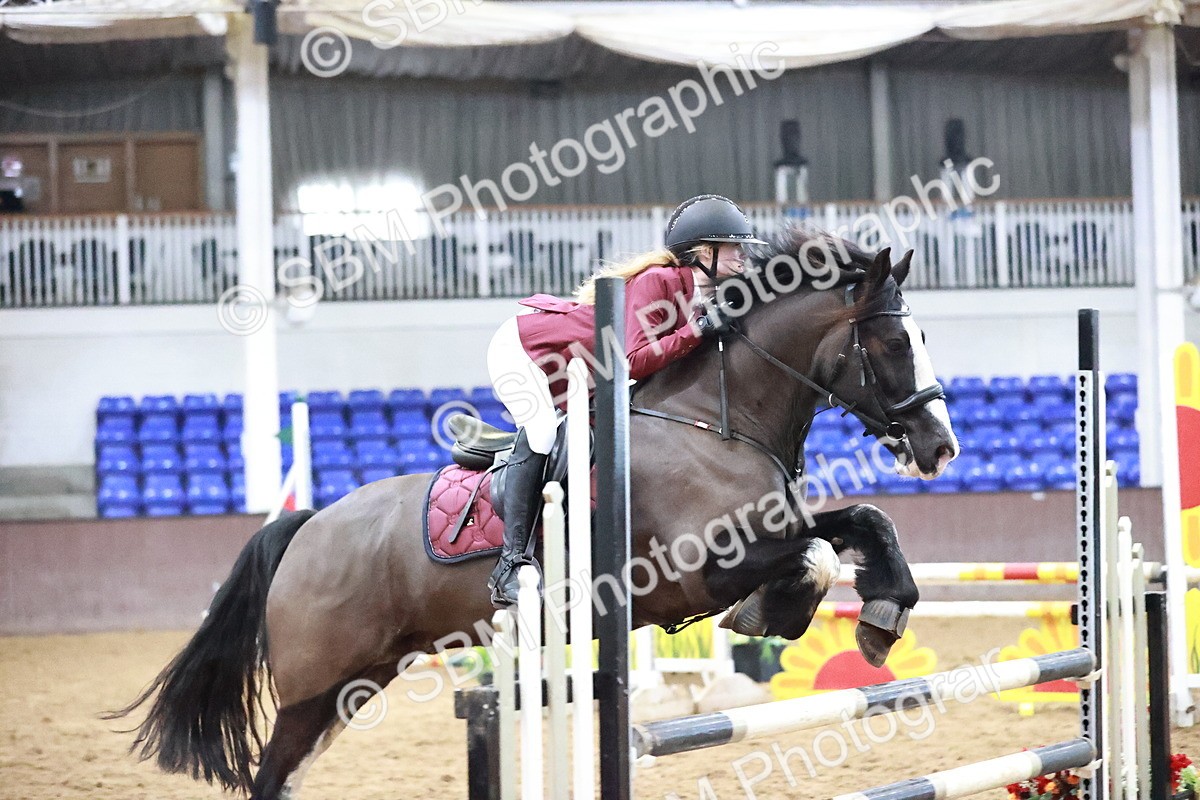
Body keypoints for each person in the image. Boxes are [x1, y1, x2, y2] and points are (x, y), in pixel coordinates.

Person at [484, 194, 767, 606]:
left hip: (583, 377)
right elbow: (631, 360)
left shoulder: (703, 296)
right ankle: (509, 565)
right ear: (705, 252)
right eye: (734, 246)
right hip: (526, 350)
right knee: (543, 431)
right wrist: (699, 331)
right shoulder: (659, 281)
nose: (743, 256)